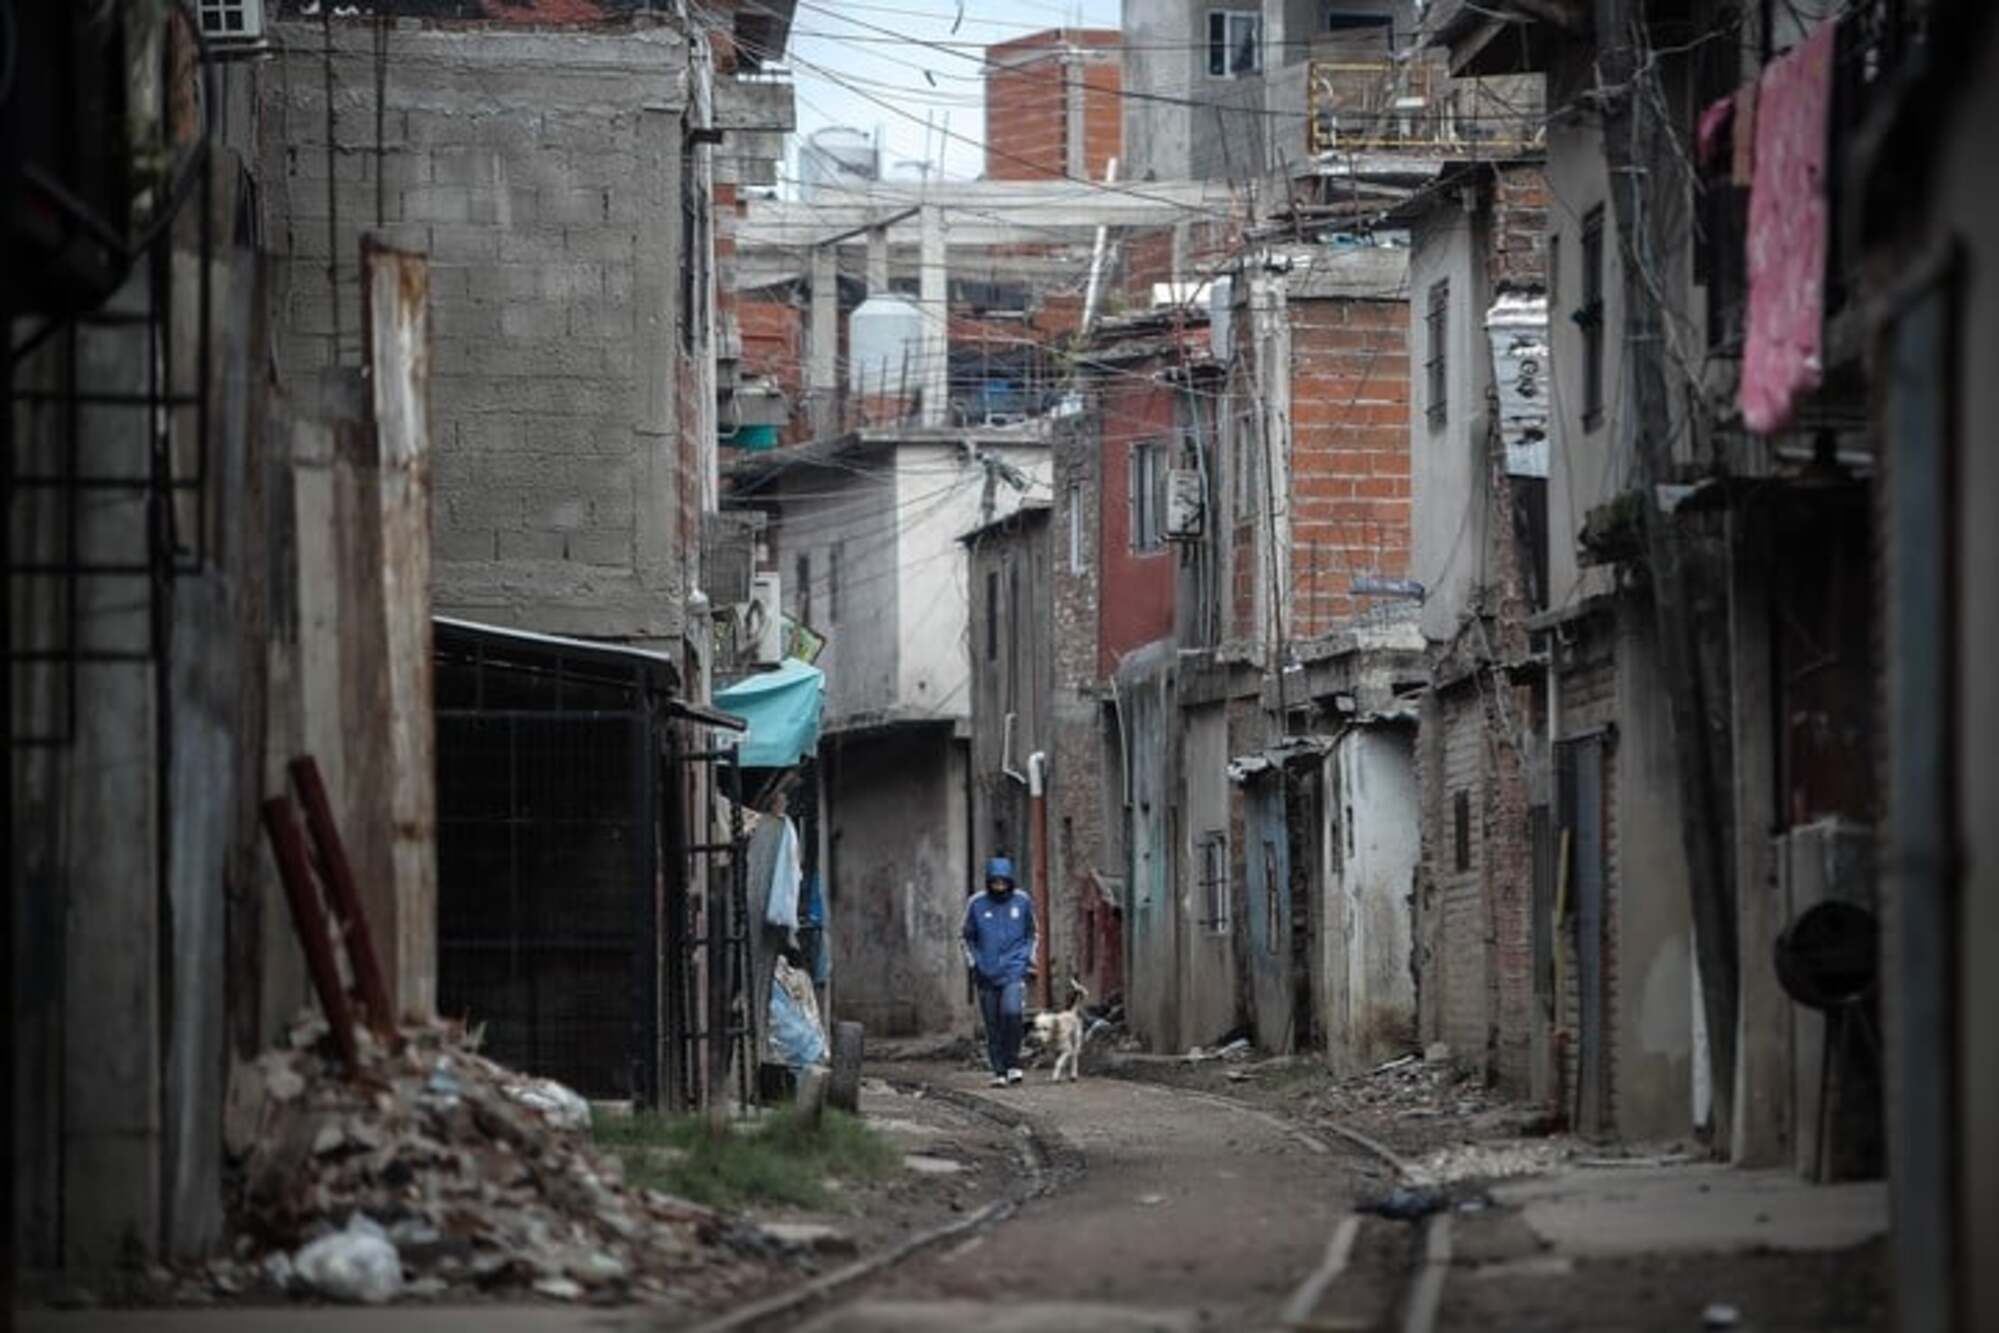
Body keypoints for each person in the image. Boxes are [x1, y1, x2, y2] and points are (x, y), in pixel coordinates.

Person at [962, 855, 1037, 1086]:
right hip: (986, 973)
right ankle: (999, 1072)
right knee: (992, 1024)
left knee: (1012, 1013)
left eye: (1003, 882)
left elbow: (1032, 933)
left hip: (1013, 970)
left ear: (1010, 882)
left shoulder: (1022, 902)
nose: (999, 887)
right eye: (995, 883)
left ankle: (1013, 1063)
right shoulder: (977, 904)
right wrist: (975, 963)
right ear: (989, 882)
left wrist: (1025, 959)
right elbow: (966, 937)